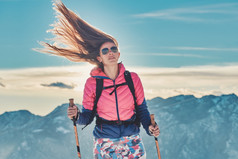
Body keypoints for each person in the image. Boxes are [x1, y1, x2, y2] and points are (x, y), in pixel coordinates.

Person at [35, 1, 160, 158]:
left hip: (132, 139)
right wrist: (76, 116)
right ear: (99, 57)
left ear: (119, 54)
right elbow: (87, 116)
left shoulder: (132, 79)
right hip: (105, 141)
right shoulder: (93, 83)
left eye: (114, 49)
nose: (111, 53)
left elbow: (142, 110)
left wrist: (150, 128)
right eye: (106, 51)